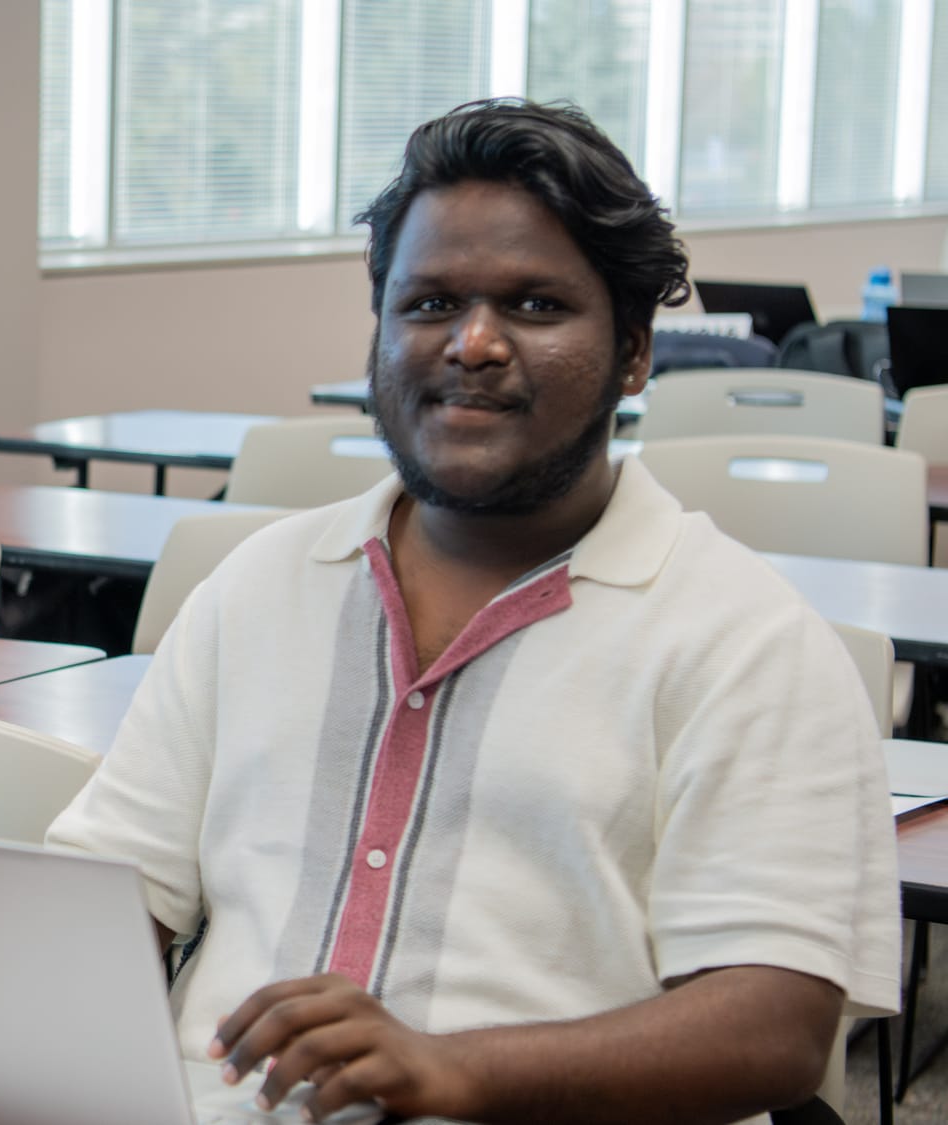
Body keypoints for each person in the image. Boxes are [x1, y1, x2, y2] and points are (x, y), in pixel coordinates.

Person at [47, 100, 896, 1124]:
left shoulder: (743, 640)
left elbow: (771, 1029)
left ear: (632, 354)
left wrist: (453, 1070)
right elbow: (109, 897)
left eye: (534, 306)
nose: (473, 344)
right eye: (427, 304)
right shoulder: (256, 585)